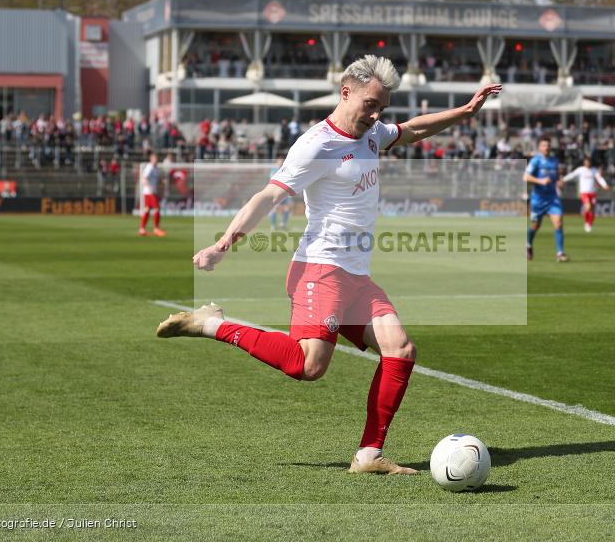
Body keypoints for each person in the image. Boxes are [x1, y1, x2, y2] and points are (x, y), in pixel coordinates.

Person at [156, 55, 501, 475]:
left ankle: (369, 456)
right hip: (320, 268)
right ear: (346, 92)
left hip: (356, 275)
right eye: (370, 103)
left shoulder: (372, 132)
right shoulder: (316, 143)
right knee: (309, 366)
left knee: (401, 350)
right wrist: (223, 244)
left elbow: (412, 130)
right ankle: (212, 323)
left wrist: (465, 111)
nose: (375, 115)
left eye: (382, 108)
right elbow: (269, 196)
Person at [524, 136, 568, 262]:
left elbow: (557, 178)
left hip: (552, 198)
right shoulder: (535, 161)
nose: (546, 147)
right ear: (539, 147)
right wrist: (540, 181)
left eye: (548, 145)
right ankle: (528, 244)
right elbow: (525, 177)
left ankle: (560, 253)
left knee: (558, 222)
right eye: (544, 145)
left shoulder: (554, 161)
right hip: (538, 199)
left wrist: (559, 182)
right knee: (535, 226)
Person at [562, 156, 610, 233]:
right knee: (588, 206)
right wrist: (563, 179)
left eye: (589, 161)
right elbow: (572, 175)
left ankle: (590, 223)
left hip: (593, 193)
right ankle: (586, 223)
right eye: (586, 161)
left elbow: (599, 178)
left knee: (592, 210)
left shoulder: (594, 170)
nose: (587, 163)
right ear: (584, 162)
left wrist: (605, 185)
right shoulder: (581, 170)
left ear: (590, 162)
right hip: (584, 192)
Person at [139, 152, 166, 237]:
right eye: (155, 159)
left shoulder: (156, 168)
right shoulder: (149, 167)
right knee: (157, 208)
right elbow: (144, 178)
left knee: (147, 209)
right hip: (149, 192)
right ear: (151, 159)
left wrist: (162, 182)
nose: (156, 160)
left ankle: (142, 229)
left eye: (157, 159)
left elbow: (157, 180)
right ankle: (156, 229)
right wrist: (150, 187)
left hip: (151, 191)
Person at [268, 156, 291, 231]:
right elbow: (272, 180)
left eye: (282, 161)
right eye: (279, 161)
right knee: (274, 208)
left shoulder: (286, 170)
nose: (281, 162)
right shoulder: (274, 170)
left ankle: (283, 224)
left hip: (285, 192)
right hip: (276, 192)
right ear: (277, 162)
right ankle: (273, 225)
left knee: (287, 208)